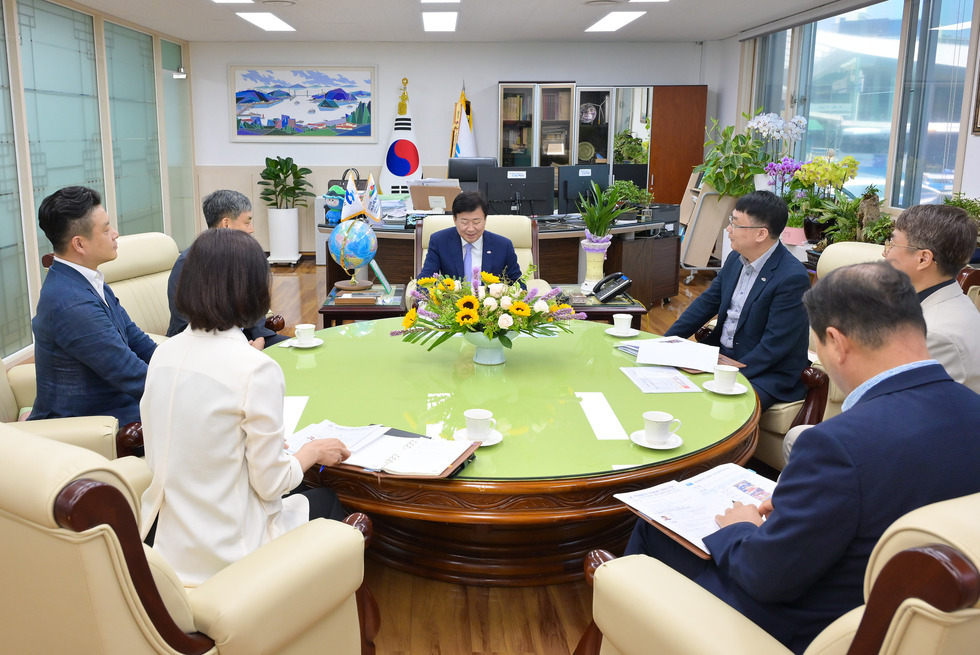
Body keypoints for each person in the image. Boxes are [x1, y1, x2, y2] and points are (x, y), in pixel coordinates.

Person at [624, 262, 980, 654]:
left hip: (804, 627)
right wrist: (801, 506)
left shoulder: (837, 445)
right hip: (916, 622)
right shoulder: (972, 408)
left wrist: (740, 528)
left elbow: (763, 576)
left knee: (653, 529)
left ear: (836, 342)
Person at [140, 229, 350, 586]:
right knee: (327, 499)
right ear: (253, 290)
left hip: (163, 539)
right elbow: (272, 485)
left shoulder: (163, 353)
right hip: (227, 551)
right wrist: (312, 451)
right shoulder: (255, 369)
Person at [664, 190, 810, 411]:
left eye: (735, 223)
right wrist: (665, 342)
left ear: (761, 234)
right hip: (722, 355)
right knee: (667, 381)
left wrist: (726, 372)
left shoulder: (792, 278)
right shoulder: (736, 259)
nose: (728, 229)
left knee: (713, 407)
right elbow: (705, 304)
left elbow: (774, 347)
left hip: (767, 372)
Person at [30, 186, 156, 425]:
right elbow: (129, 372)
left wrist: (180, 367)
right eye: (106, 229)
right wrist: (190, 390)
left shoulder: (88, 279)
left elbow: (136, 339)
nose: (115, 234)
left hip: (117, 404)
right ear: (79, 244)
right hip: (90, 424)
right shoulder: (71, 304)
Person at [166, 189, 286, 348]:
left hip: (244, 337)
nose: (251, 229)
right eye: (247, 222)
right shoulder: (188, 263)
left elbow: (255, 301)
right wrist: (237, 347)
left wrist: (260, 337)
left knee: (298, 351)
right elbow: (184, 323)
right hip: (202, 345)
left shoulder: (243, 256)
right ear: (226, 224)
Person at [882, 203, 980, 392]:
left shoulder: (934, 336)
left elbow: (903, 405)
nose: (885, 253)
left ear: (923, 259)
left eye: (892, 244)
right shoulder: (950, 303)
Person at [418, 190, 522, 283]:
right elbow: (425, 279)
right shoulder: (439, 241)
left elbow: (518, 283)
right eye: (464, 222)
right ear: (454, 219)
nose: (471, 229)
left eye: (476, 222)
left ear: (485, 219)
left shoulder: (503, 246)